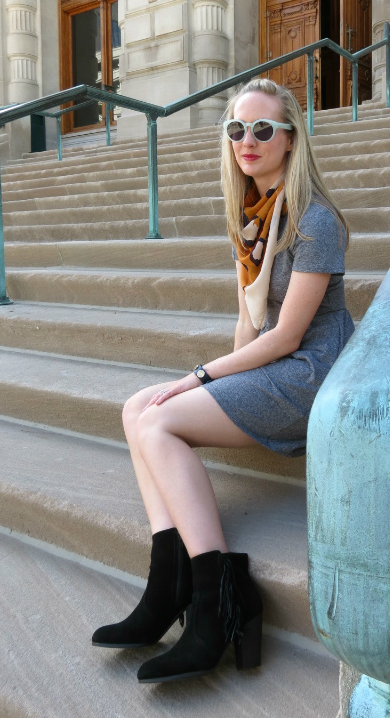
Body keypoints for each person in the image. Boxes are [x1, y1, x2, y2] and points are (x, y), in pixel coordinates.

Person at [91, 78, 354, 683]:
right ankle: (168, 587)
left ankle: (218, 601)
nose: (248, 141)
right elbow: (247, 320)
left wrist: (201, 377)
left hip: (310, 373)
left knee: (157, 421)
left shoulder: (315, 220)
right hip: (274, 364)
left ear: (290, 140)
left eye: (263, 129)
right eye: (237, 129)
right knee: (138, 407)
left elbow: (287, 337)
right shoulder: (250, 218)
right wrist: (212, 391)